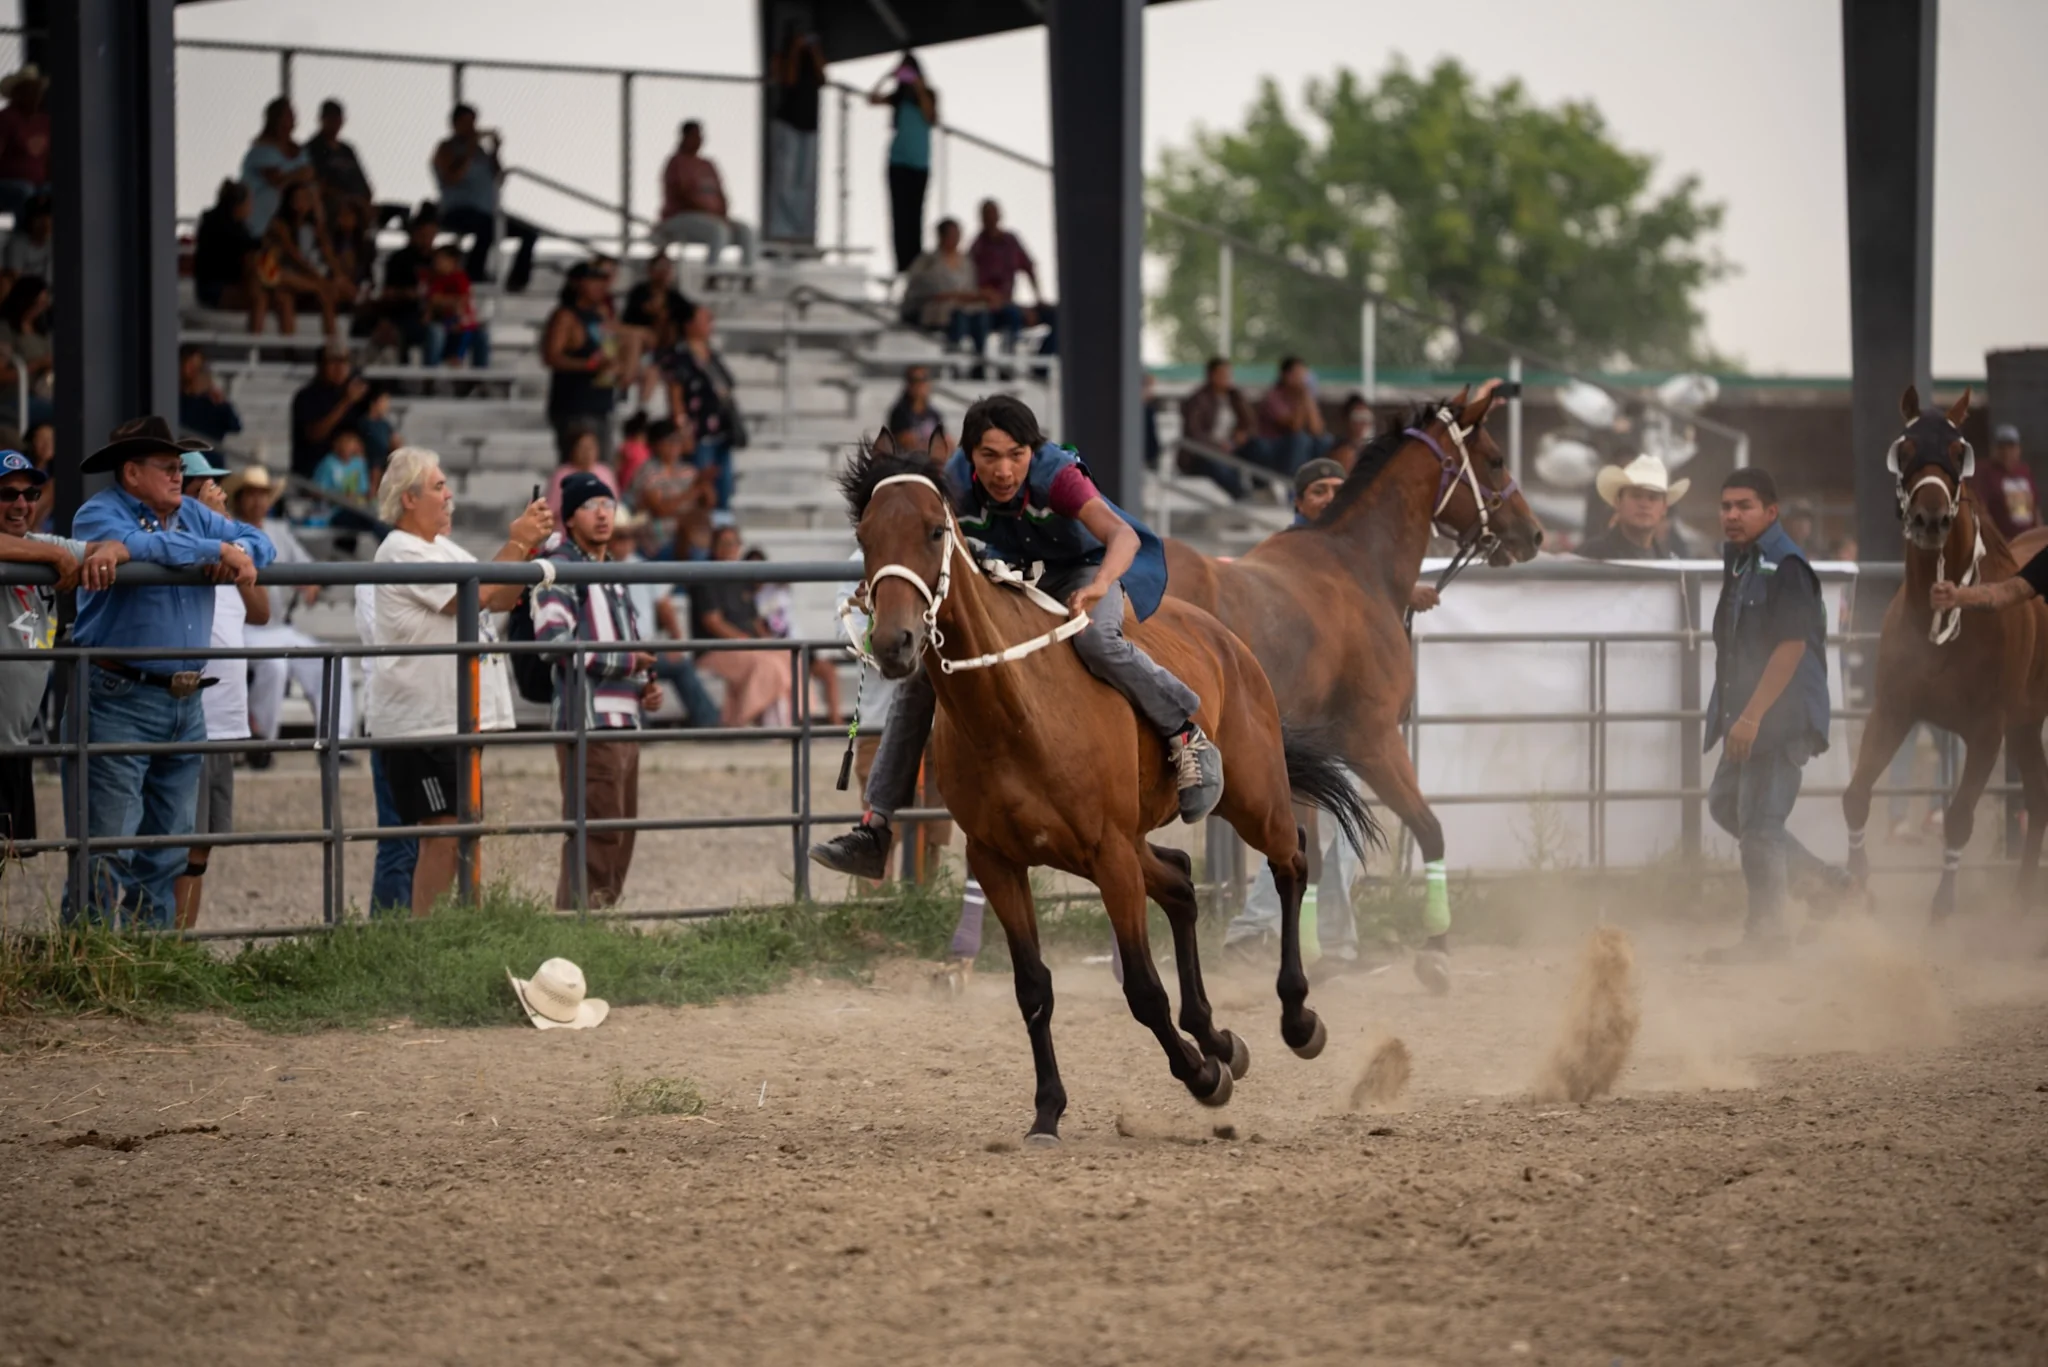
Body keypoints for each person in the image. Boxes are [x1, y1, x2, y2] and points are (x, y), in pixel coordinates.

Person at [809, 396, 1223, 879]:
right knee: (925, 672)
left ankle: (1186, 734)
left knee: (1097, 641)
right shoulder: (951, 481)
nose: (1003, 470)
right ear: (969, 455)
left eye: (1016, 455)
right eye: (989, 456)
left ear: (1032, 451)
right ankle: (875, 828)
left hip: (1085, 571)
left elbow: (1124, 537)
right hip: (1019, 572)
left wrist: (1101, 585)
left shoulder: (1058, 476)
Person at [65, 419, 275, 926]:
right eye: (167, 467)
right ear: (132, 472)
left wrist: (237, 553)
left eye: (179, 467)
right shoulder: (98, 514)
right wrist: (214, 551)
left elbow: (258, 543)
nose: (179, 475)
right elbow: (131, 545)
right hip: (120, 693)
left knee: (168, 846)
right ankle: (91, 953)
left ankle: (142, 953)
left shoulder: (190, 515)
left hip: (181, 697)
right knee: (109, 844)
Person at [367, 447, 551, 916]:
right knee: (445, 833)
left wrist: (524, 549)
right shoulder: (401, 549)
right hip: (425, 722)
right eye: (438, 486)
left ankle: (457, 929)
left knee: (462, 832)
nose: (449, 495)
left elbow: (500, 597)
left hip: (453, 716)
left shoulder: (441, 548)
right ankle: (427, 938)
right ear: (408, 498)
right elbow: (475, 596)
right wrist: (516, 542)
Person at [1703, 467, 1847, 962]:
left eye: (1744, 506)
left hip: (1778, 715)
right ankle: (1827, 884)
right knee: (1727, 804)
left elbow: (1791, 647)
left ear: (1771, 511)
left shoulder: (1786, 566)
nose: (1732, 515)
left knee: (1760, 826)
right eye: (1726, 506)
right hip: (1755, 710)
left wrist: (1750, 717)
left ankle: (1767, 938)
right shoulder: (1744, 561)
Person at [533, 471, 664, 908]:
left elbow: (621, 642)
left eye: (608, 505)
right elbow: (554, 643)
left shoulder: (608, 570)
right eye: (591, 507)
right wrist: (629, 663)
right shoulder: (560, 567)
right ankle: (579, 925)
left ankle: (592, 923)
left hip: (622, 718)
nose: (603, 514)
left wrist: (643, 685)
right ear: (570, 517)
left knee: (617, 833)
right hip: (589, 721)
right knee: (598, 835)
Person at [0, 451, 126, 857]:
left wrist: (106, 555)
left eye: (30, 494)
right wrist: (56, 557)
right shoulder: (47, 550)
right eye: (7, 494)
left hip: (14, 742)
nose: (21, 504)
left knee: (9, 859)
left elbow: (116, 545)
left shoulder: (39, 543)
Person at [173, 453, 271, 931]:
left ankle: (178, 948)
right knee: (175, 842)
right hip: (190, 715)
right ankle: (162, 946)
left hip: (224, 717)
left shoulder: (229, 547)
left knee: (201, 847)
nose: (219, 496)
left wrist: (231, 544)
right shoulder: (181, 544)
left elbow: (261, 612)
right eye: (207, 489)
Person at [221, 464, 354, 769]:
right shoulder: (229, 532)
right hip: (242, 629)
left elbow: (305, 568)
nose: (258, 501)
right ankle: (259, 745)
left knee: (333, 660)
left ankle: (337, 744)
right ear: (240, 498)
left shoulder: (278, 530)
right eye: (251, 494)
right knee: (274, 666)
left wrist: (310, 583)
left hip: (278, 627)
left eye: (262, 494)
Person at [609, 511, 719, 729]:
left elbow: (664, 606)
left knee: (680, 665)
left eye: (629, 535)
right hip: (616, 651)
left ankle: (709, 724)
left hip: (647, 649)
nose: (627, 542)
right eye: (620, 536)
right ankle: (639, 731)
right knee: (630, 672)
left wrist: (676, 642)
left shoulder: (643, 567)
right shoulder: (598, 568)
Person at [690, 522, 793, 726]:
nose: (731, 548)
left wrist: (768, 642)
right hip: (715, 650)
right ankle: (745, 723)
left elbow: (754, 620)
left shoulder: (740, 576)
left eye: (735, 543)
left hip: (747, 646)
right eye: (725, 543)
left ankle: (794, 722)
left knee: (790, 656)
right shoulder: (705, 576)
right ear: (714, 547)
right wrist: (743, 640)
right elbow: (713, 622)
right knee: (765, 664)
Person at [433, 104, 538, 293]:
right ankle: (474, 272)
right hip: (458, 210)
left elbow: (499, 179)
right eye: (465, 122)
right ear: (455, 124)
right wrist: (469, 147)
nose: (471, 127)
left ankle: (518, 280)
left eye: (473, 122)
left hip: (488, 212)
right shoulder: (446, 148)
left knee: (529, 233)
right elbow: (453, 177)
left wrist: (495, 151)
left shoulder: (481, 152)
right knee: (487, 227)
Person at [664, 302, 743, 509]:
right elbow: (675, 395)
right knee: (702, 487)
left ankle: (722, 523)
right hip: (698, 433)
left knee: (723, 487)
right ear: (689, 324)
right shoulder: (680, 356)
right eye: (705, 319)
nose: (710, 324)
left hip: (721, 431)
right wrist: (683, 429)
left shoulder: (711, 354)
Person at [654, 121, 755, 268]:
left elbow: (722, 195)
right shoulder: (676, 163)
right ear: (684, 137)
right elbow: (684, 195)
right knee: (718, 231)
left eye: (700, 136)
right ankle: (711, 273)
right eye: (695, 136)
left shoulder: (708, 164)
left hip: (715, 218)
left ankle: (748, 275)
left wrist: (722, 215)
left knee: (746, 231)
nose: (699, 140)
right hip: (681, 217)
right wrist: (712, 215)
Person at [543, 263, 618, 461]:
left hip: (601, 402)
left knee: (601, 468)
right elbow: (551, 356)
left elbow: (609, 349)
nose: (600, 286)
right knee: (579, 467)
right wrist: (588, 365)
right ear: (577, 284)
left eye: (602, 281)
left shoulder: (601, 315)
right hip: (575, 405)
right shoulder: (566, 316)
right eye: (593, 281)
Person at [870, 53, 936, 274]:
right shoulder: (898, 97)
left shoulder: (928, 94)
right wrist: (888, 76)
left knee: (915, 215)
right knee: (898, 215)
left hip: (919, 164)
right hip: (898, 163)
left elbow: (930, 116)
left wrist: (918, 85)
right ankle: (901, 264)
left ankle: (914, 262)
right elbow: (872, 98)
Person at [260, 179, 353, 338]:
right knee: (299, 290)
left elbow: (328, 254)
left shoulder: (313, 228)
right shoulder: (279, 225)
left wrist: (339, 277)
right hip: (275, 274)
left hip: (302, 279)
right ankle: (290, 349)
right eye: (298, 198)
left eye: (306, 198)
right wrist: (319, 280)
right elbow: (294, 257)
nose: (302, 203)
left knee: (326, 295)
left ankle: (332, 344)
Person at [969, 199, 1057, 357]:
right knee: (1012, 315)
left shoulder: (1010, 241)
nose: (991, 219)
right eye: (987, 215)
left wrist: (1038, 298)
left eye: (994, 214)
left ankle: (1041, 363)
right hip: (988, 308)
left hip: (1010, 303)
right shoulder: (977, 247)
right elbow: (971, 284)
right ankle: (1008, 362)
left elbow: (1029, 267)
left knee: (1057, 316)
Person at [767, 25, 826, 243]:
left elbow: (823, 78)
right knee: (785, 178)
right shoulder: (782, 56)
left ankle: (802, 230)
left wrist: (814, 50)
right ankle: (781, 229)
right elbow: (788, 80)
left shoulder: (812, 59)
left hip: (809, 124)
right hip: (788, 123)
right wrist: (794, 50)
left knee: (805, 180)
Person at [192, 180, 276, 334]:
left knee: (275, 295)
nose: (252, 208)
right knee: (260, 298)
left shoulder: (231, 225)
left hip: (224, 284)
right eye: (249, 203)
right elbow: (244, 251)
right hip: (215, 289)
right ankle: (254, 344)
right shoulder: (223, 227)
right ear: (239, 205)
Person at [900, 218, 989, 355]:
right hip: (934, 310)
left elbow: (970, 289)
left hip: (964, 308)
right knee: (958, 318)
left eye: (957, 234)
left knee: (981, 316)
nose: (955, 238)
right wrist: (954, 296)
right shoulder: (927, 261)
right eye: (951, 234)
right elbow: (922, 288)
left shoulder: (966, 262)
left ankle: (979, 359)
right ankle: (952, 356)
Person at [1577, 454, 1690, 561]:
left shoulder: (1668, 560)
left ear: (1664, 508)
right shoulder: (1591, 555)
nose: (1645, 504)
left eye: (1653, 498)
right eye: (1636, 496)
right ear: (1618, 502)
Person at [1176, 356, 1258, 498]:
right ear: (1211, 375)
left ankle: (1262, 486)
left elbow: (1251, 424)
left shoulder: (1235, 397)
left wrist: (1240, 435)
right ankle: (1242, 495)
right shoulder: (1197, 400)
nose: (1227, 378)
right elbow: (1194, 433)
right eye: (1222, 374)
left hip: (1232, 448)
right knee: (1216, 464)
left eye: (1229, 374)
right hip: (1202, 454)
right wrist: (1218, 445)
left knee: (1257, 447)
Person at [627, 416, 711, 549]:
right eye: (669, 441)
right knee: (690, 540)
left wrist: (705, 484)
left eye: (677, 440)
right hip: (659, 538)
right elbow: (661, 509)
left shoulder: (688, 470)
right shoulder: (647, 472)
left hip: (690, 531)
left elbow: (709, 503)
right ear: (655, 445)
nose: (674, 446)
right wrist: (692, 493)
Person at [239, 97, 314, 237]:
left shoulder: (298, 150)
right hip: (261, 211)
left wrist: (292, 177)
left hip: (294, 208)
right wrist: (296, 175)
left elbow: (309, 173)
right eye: (288, 115)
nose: (293, 118)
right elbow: (276, 180)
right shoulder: (261, 150)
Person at [291, 346, 368, 480]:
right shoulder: (306, 396)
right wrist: (346, 402)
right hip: (312, 475)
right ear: (321, 365)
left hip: (346, 477)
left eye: (344, 362)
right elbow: (314, 435)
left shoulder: (356, 395)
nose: (340, 368)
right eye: (334, 362)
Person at [1249, 356, 1333, 478]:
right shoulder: (1273, 397)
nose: (1302, 379)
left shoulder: (1305, 395)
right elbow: (1295, 427)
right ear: (1285, 375)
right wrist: (1302, 398)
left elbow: (1317, 430)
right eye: (1297, 374)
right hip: (1274, 445)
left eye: (1303, 375)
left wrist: (1307, 400)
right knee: (1300, 439)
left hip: (1299, 443)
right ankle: (1293, 482)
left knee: (1325, 440)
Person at [0, 274, 53, 433]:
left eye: (44, 303)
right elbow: (2, 374)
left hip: (42, 393)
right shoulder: (6, 330)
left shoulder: (41, 332)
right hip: (14, 399)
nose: (41, 308)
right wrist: (36, 364)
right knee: (61, 412)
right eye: (37, 303)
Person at [425, 243, 490, 366]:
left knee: (474, 333)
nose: (436, 263)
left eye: (441, 259)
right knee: (438, 332)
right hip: (444, 321)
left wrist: (446, 303)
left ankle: (459, 360)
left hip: (461, 321)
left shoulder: (460, 278)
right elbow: (433, 301)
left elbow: (461, 302)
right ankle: (436, 370)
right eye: (435, 260)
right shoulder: (436, 280)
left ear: (453, 261)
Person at [1972, 424, 2038, 544]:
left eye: (2011, 447)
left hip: (2028, 542)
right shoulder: (1986, 472)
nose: (2007, 452)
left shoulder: (2024, 471)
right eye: (2002, 448)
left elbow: (2035, 509)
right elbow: (1982, 511)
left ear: (2019, 449)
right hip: (2003, 544)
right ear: (1994, 449)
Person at [0, 65, 50, 215]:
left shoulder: (44, 121)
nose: (35, 95)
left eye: (37, 90)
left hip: (39, 185)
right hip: (9, 185)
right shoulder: (6, 118)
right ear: (18, 93)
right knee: (26, 192)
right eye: (30, 90)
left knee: (51, 191)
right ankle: (25, 229)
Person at [547, 427, 621, 523]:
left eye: (591, 448)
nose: (587, 453)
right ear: (573, 450)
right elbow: (552, 509)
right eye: (583, 448)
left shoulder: (605, 472)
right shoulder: (562, 475)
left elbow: (614, 503)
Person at [177, 344, 244, 447]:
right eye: (189, 366)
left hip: (210, 454)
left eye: (198, 368)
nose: (193, 372)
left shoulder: (213, 401)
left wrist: (222, 403)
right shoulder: (176, 400)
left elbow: (235, 426)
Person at [884, 366, 945, 449]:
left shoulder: (934, 414)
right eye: (915, 381)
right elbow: (906, 442)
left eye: (924, 380)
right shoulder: (900, 413)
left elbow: (943, 440)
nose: (920, 385)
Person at [1, 191, 52, 283]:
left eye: (47, 217)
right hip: (25, 289)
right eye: (38, 218)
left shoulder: (54, 244)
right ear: (29, 220)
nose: (45, 222)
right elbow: (16, 277)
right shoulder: (18, 243)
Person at [1328, 394, 1376, 471]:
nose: (1363, 422)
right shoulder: (1344, 453)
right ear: (1347, 420)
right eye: (1357, 417)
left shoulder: (1372, 449)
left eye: (1366, 417)